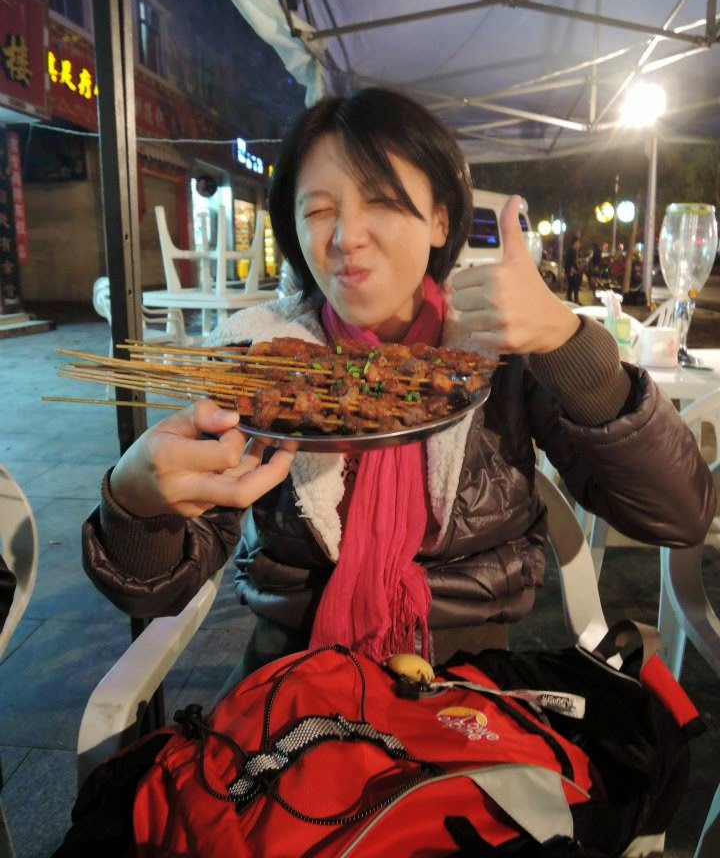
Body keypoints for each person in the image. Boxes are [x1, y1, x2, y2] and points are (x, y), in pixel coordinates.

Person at [82, 88, 714, 691]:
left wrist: (571, 346)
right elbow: (155, 588)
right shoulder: (257, 360)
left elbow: (677, 515)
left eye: (381, 201)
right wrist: (137, 504)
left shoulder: (501, 351)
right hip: (292, 677)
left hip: (467, 676)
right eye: (318, 210)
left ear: (440, 219)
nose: (346, 236)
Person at [564, 236, 582, 304]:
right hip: (571, 272)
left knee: (570, 286)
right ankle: (575, 300)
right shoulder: (572, 251)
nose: (579, 245)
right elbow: (572, 262)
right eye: (578, 243)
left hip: (569, 271)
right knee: (575, 286)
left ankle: (570, 300)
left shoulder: (570, 251)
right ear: (575, 243)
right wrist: (577, 269)